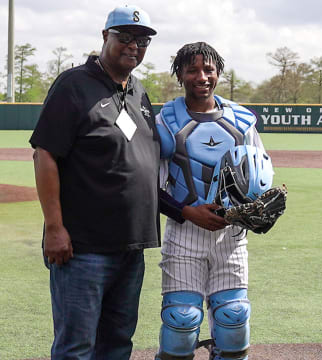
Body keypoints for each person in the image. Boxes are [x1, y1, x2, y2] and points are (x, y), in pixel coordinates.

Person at [29, 5, 159, 359]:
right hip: (83, 249)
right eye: (125, 37)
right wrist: (54, 228)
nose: (134, 45)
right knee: (76, 348)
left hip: (131, 249)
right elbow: (45, 155)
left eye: (143, 40)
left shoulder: (138, 91)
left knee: (117, 345)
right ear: (105, 37)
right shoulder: (74, 85)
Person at [154, 42, 272, 360]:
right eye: (192, 69)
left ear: (218, 72)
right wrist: (187, 212)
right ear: (179, 73)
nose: (201, 76)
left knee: (233, 318)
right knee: (182, 320)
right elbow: (151, 187)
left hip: (231, 236)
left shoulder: (242, 122)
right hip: (184, 234)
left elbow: (258, 175)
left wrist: (255, 211)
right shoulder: (165, 122)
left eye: (208, 69)